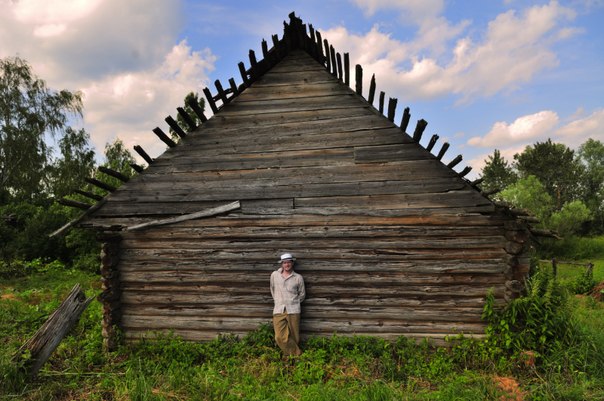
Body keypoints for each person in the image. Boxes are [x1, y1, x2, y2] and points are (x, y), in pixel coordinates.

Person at [270, 253, 306, 357]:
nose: (287, 264)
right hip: (278, 309)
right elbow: (272, 289)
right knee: (279, 337)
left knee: (294, 336)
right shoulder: (274, 275)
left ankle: (289, 358)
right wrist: (278, 300)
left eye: (289, 262)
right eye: (285, 262)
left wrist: (293, 302)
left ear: (292, 263)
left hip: (293, 309)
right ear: (282, 264)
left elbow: (302, 294)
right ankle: (297, 354)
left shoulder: (298, 278)